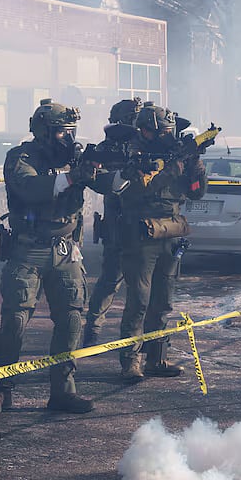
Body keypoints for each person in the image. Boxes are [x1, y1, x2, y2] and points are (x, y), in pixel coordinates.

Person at [0, 99, 107, 415]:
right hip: (27, 249)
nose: (69, 138)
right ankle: (2, 390)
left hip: (65, 251)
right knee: (14, 322)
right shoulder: (20, 158)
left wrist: (129, 171)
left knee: (71, 320)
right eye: (63, 132)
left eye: (71, 131)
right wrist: (74, 176)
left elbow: (112, 187)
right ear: (45, 132)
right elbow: (32, 189)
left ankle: (63, 391)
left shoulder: (74, 160)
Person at [117, 102, 207, 382]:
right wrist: (171, 169)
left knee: (163, 302)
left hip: (171, 231)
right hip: (142, 233)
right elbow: (136, 192)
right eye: (164, 131)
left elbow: (196, 194)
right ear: (146, 131)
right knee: (139, 301)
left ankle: (157, 357)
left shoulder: (173, 156)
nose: (169, 136)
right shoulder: (132, 154)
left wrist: (194, 165)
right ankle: (131, 361)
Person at [81, 97, 142, 348]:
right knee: (110, 281)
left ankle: (145, 339)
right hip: (118, 221)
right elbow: (101, 179)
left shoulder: (146, 145)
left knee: (142, 286)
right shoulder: (110, 147)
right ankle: (92, 332)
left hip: (143, 221)